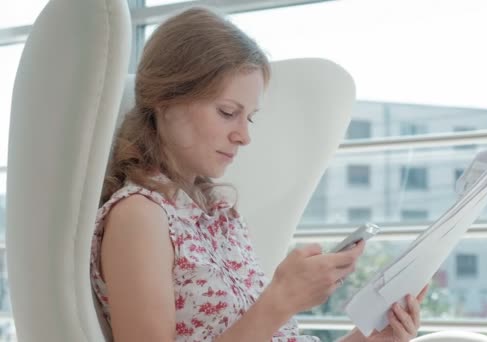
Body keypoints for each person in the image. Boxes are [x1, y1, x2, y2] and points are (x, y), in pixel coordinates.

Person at [90, 6, 428, 342]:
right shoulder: (139, 217)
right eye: (227, 112)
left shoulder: (217, 215)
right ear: (165, 100)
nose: (244, 136)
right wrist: (280, 300)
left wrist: (373, 339)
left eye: (248, 117)